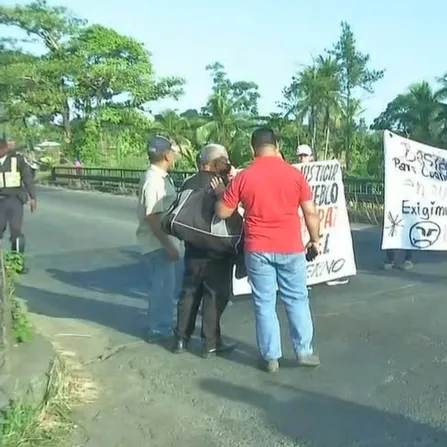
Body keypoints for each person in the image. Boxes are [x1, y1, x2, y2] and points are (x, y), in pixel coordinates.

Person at [216, 128, 322, 371]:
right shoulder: (294, 175)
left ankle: (271, 356)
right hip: (291, 247)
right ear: (277, 147)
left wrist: (221, 193)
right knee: (296, 298)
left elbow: (222, 212)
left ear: (253, 150)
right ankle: (304, 351)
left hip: (257, 248)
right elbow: (310, 213)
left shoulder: (244, 177)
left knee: (264, 302)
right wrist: (315, 240)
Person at [171, 144, 238, 358]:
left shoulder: (188, 182)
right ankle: (210, 343)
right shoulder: (224, 185)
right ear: (217, 163)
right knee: (214, 295)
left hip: (193, 248)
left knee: (189, 293)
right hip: (218, 250)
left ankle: (181, 338)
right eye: (225, 160)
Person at [136, 135, 183, 342]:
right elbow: (152, 217)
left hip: (160, 242)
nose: (174, 156)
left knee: (164, 287)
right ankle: (158, 328)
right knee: (161, 288)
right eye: (172, 152)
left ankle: (162, 325)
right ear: (166, 154)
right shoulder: (154, 181)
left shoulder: (159, 177)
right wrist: (168, 245)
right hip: (157, 244)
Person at [296, 143, 349, 286]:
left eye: (305, 155)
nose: (302, 159)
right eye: (300, 156)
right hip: (302, 217)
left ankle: (329, 272)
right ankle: (307, 276)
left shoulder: (319, 171)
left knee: (324, 242)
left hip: (321, 215)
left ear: (311, 157)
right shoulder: (294, 172)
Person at [0, 136, 37, 273]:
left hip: (15, 199)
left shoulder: (18, 160)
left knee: (16, 231)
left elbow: (27, 178)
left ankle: (18, 263)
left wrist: (33, 197)